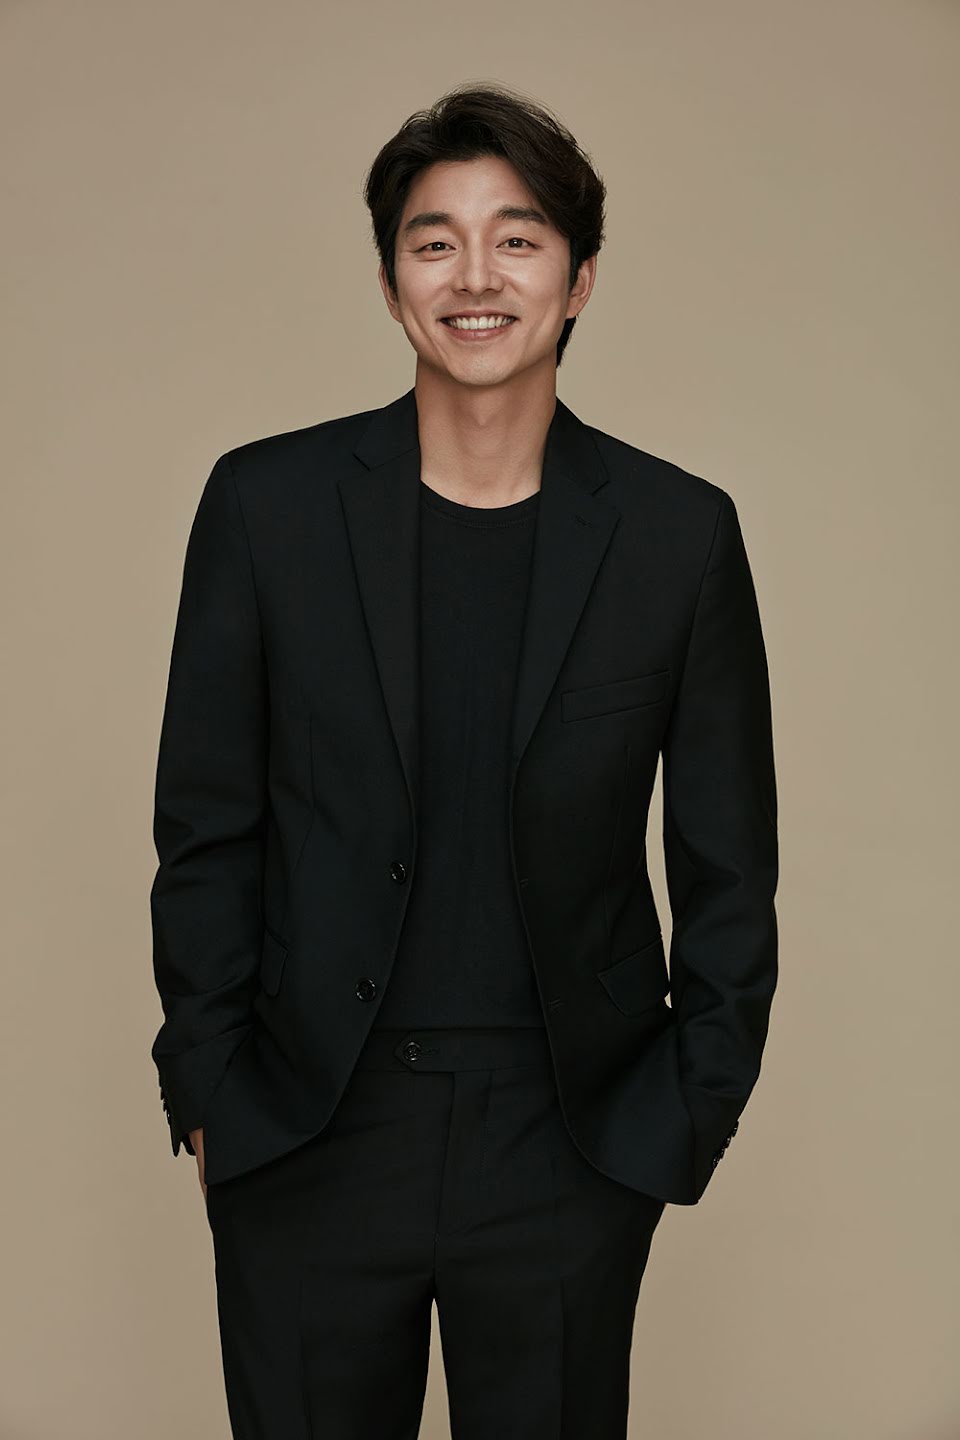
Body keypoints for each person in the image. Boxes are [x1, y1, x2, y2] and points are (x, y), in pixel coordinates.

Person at [149, 80, 779, 1440]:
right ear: (392, 284)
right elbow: (205, 826)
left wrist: (687, 1110)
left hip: (568, 1136)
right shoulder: (266, 508)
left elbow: (729, 865)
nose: (476, 277)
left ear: (580, 279)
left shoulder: (677, 537)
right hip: (309, 1125)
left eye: (519, 238)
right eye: (435, 242)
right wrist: (210, 1087)